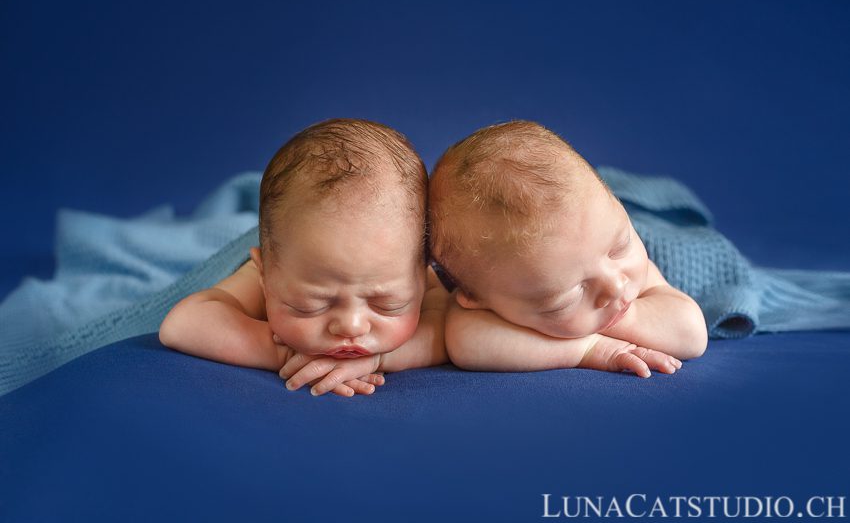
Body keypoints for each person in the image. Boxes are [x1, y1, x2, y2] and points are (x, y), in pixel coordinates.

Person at [160, 119, 450, 396]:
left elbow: (447, 330)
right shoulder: (277, 269)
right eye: (312, 305)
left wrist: (381, 359)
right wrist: (285, 353)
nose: (351, 326)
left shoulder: (403, 265)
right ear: (265, 275)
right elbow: (182, 325)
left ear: (422, 272)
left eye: (387, 305)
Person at [429, 121, 707, 378]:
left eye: (620, 247)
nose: (615, 287)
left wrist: (625, 315)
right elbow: (467, 342)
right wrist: (589, 348)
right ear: (476, 297)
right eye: (566, 299)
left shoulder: (605, 247)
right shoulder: (498, 280)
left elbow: (691, 333)